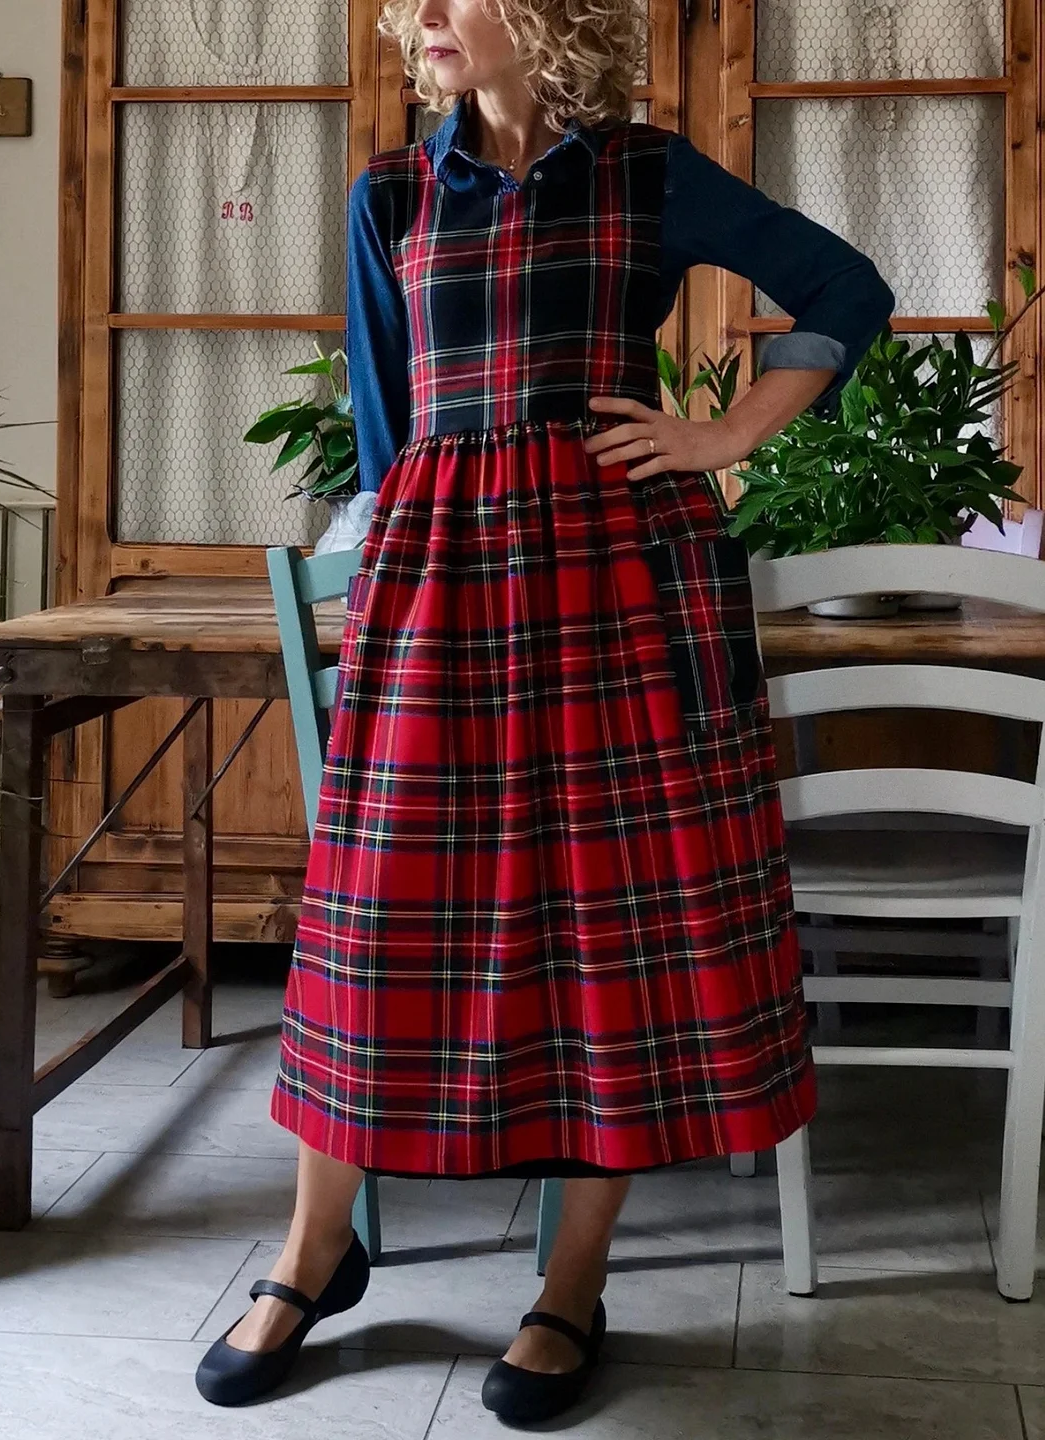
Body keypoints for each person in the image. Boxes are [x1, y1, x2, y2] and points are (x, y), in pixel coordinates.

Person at [196, 0, 896, 1425]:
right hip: (443, 585)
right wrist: (387, 595)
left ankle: (573, 1284)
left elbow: (846, 288)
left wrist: (722, 436)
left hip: (620, 590)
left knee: (608, 927)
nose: (420, 17)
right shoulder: (393, 194)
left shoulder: (646, 173)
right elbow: (387, 433)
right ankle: (314, 1253)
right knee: (376, 918)